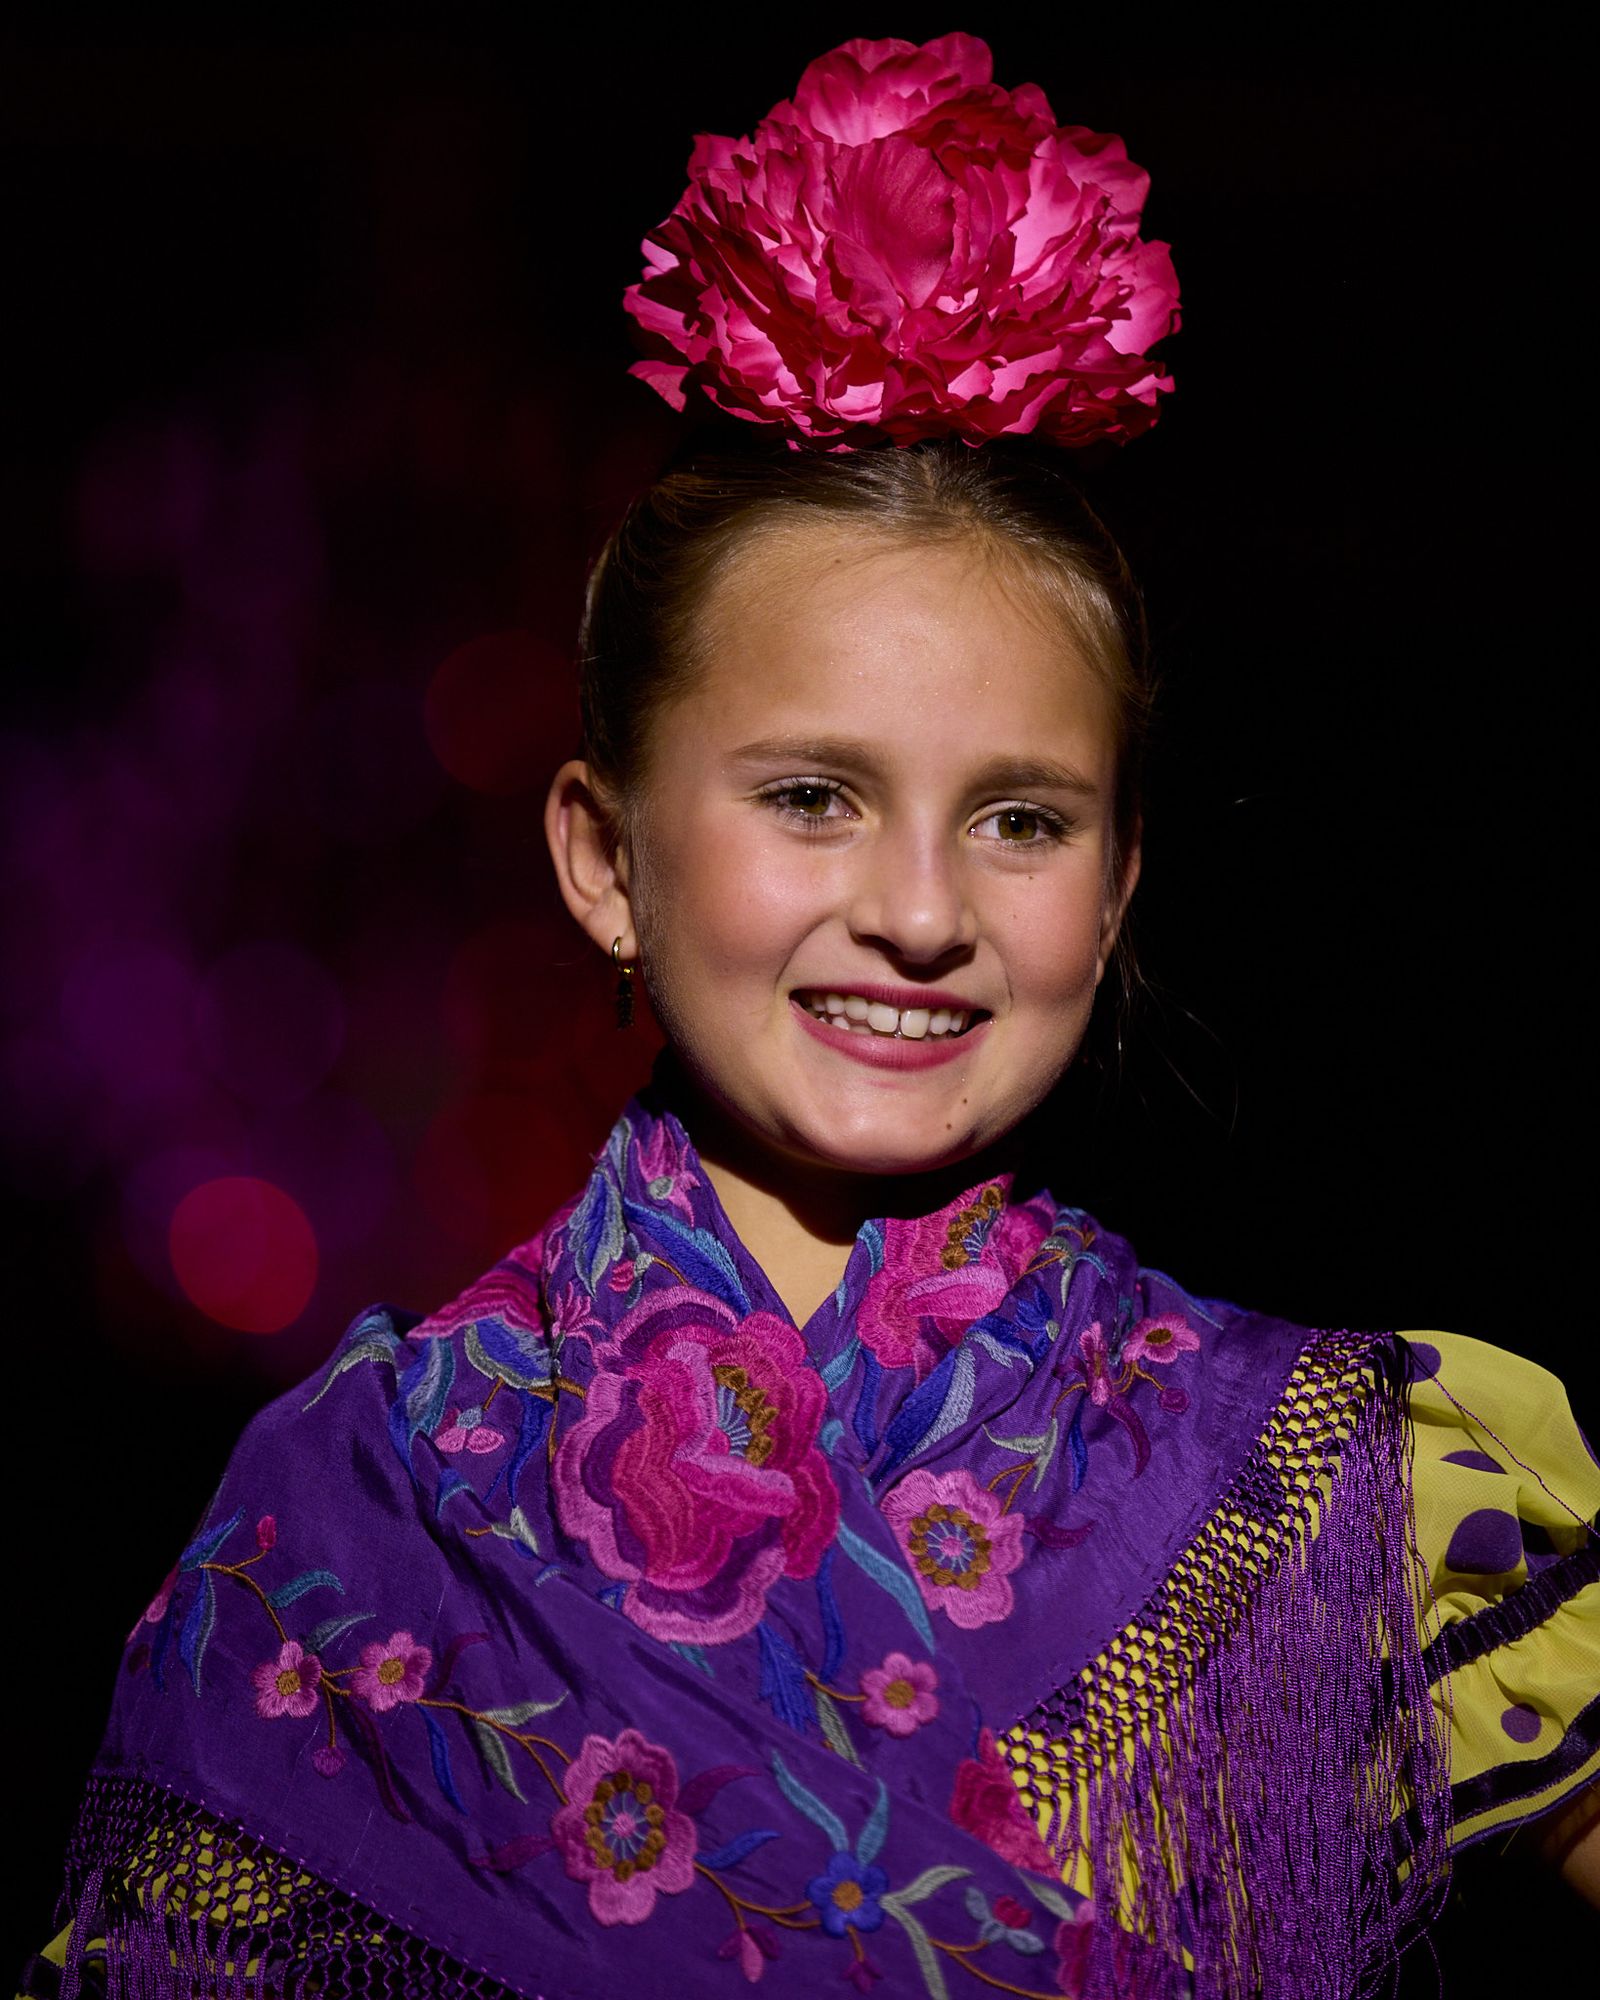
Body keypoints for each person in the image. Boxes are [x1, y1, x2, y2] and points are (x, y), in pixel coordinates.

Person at [27, 32, 1597, 2000]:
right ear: (601, 857)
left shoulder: (1331, 1492)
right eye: (808, 796)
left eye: (1017, 819)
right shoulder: (350, 1524)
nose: (920, 911)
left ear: (1112, 894)